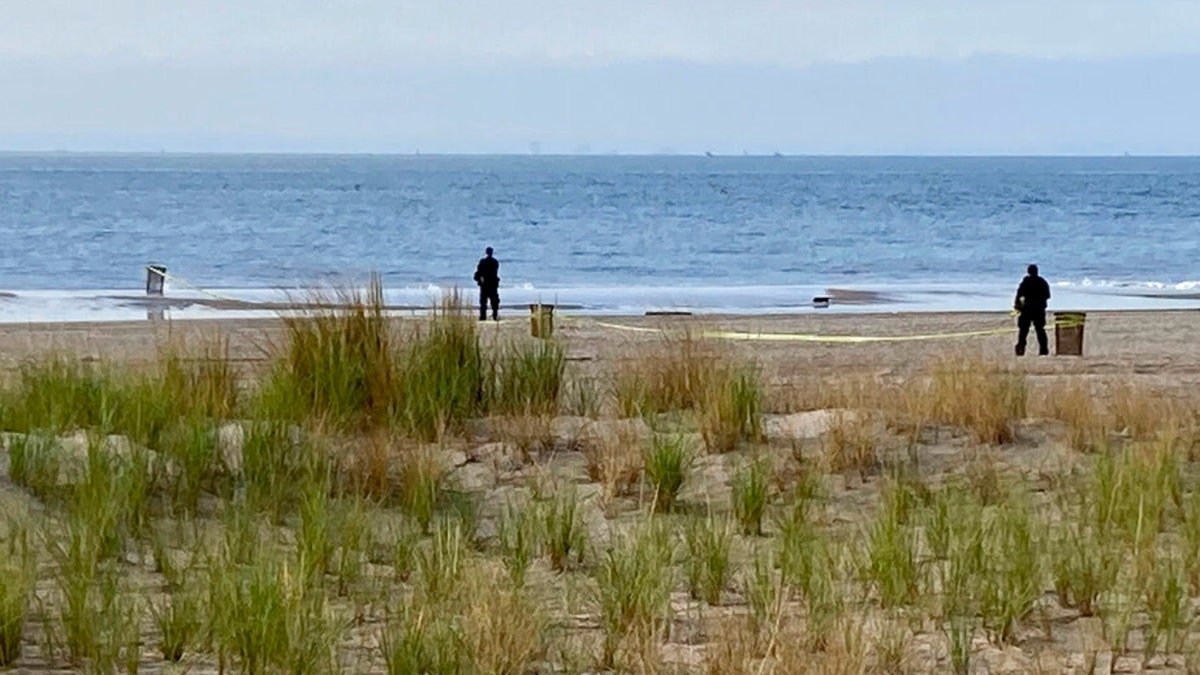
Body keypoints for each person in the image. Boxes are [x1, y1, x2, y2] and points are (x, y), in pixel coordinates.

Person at [1013, 264, 1051, 356]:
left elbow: (1019, 295)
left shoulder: (1026, 282)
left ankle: (1021, 347)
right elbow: (1047, 296)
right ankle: (1043, 349)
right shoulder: (1042, 282)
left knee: (1023, 330)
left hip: (1027, 309)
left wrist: (1017, 305)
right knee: (1040, 329)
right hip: (1038, 309)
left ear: (1028, 272)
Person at [473, 247, 500, 321]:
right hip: (492, 284)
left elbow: (479, 272)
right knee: (494, 301)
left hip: (485, 284)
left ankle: (483, 316)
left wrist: (477, 278)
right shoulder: (495, 262)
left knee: (483, 301)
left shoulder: (483, 262)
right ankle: (495, 315)